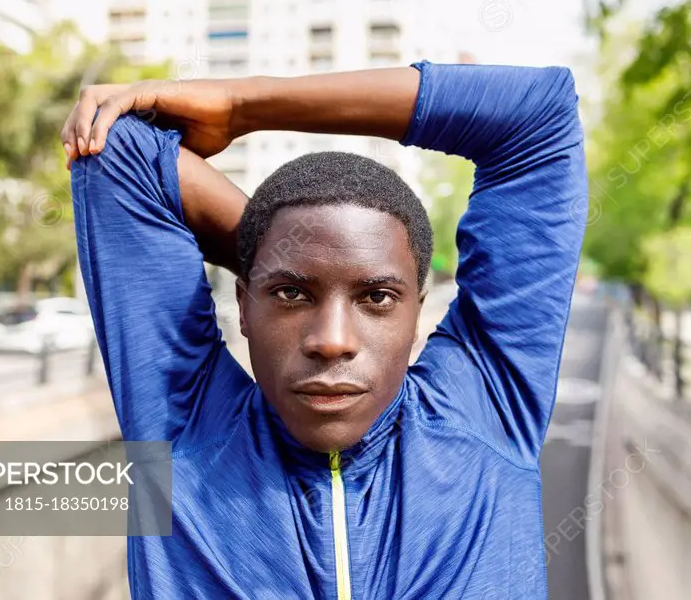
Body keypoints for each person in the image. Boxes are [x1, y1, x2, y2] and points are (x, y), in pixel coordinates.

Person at [60, 61, 587, 599]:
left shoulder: (489, 409)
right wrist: (273, 252)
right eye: (291, 295)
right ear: (244, 305)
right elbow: (115, 148)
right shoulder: (181, 423)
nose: (331, 340)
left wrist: (244, 105)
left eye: (377, 297)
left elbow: (537, 112)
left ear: (417, 312)